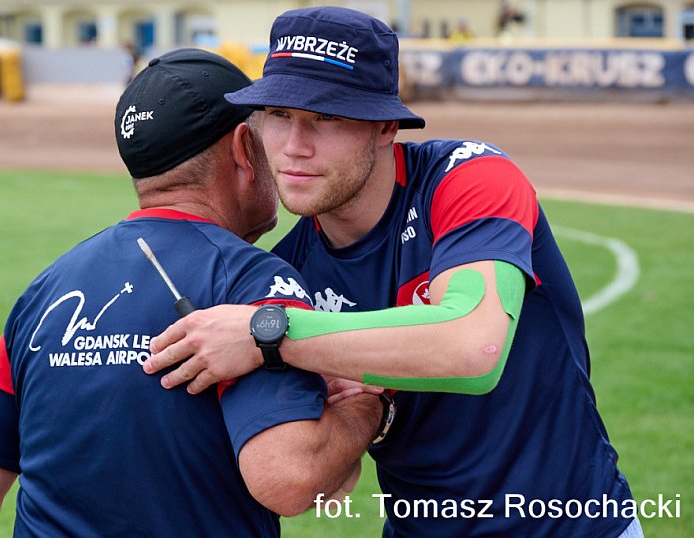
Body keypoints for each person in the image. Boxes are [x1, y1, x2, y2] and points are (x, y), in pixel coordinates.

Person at [142, 8, 643, 538]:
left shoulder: (467, 178)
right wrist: (363, 417)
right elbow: (328, 482)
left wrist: (268, 335)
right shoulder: (287, 273)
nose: (293, 146)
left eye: (326, 117)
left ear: (384, 126)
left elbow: (474, 351)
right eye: (278, 114)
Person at [0, 48, 384, 537]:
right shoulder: (258, 286)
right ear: (241, 149)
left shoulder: (45, 290)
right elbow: (296, 482)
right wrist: (369, 404)